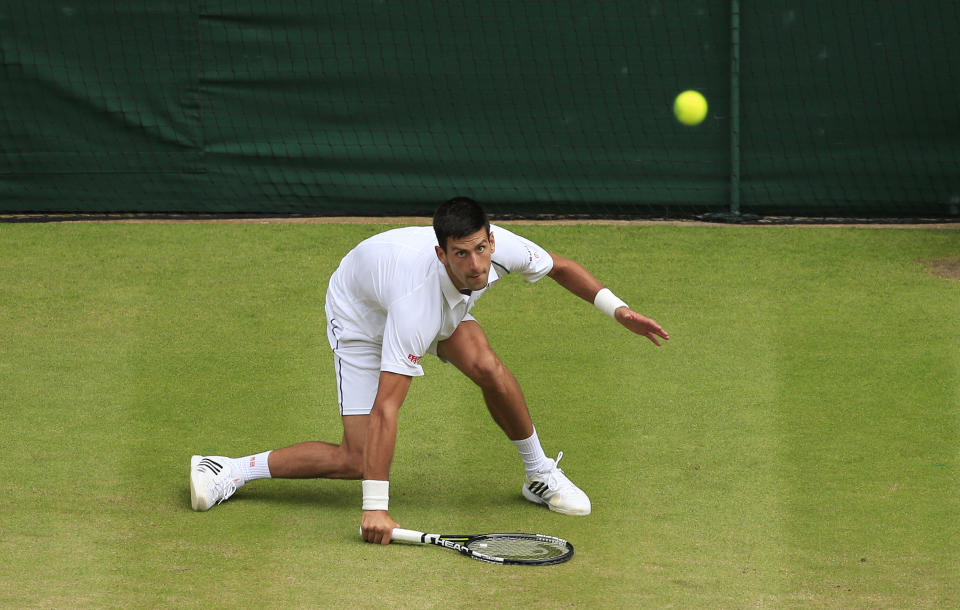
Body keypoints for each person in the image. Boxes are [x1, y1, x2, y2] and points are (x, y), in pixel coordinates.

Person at [190, 197, 669, 544]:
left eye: (481, 248)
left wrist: (619, 311)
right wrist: (375, 507)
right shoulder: (414, 305)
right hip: (361, 314)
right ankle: (230, 469)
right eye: (461, 254)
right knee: (356, 459)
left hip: (422, 299)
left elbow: (561, 266)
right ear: (442, 253)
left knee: (488, 368)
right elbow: (387, 407)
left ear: (491, 240)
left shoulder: (500, 250)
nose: (476, 264)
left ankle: (538, 473)